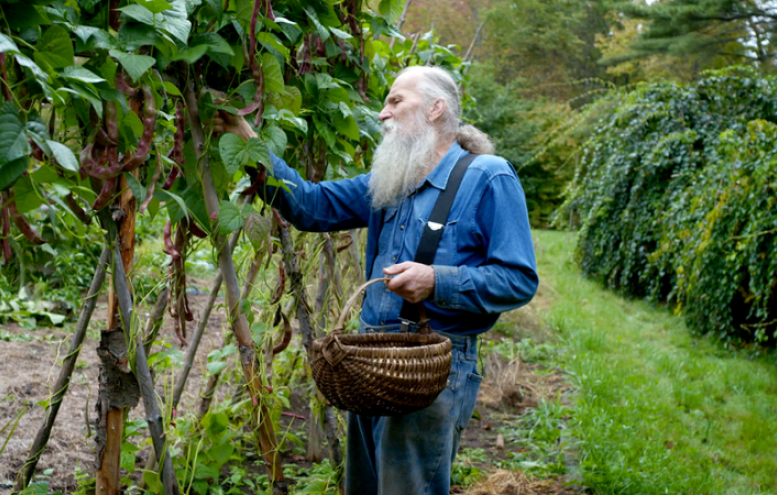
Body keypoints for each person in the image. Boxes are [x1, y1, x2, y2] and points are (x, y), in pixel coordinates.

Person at [212, 65, 538, 495]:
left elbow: (517, 279)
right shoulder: (393, 180)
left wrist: (436, 280)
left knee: (407, 489)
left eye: (395, 101)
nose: (382, 113)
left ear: (437, 108)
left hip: (434, 369)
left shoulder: (487, 176)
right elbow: (312, 205)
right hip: (370, 365)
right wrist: (247, 139)